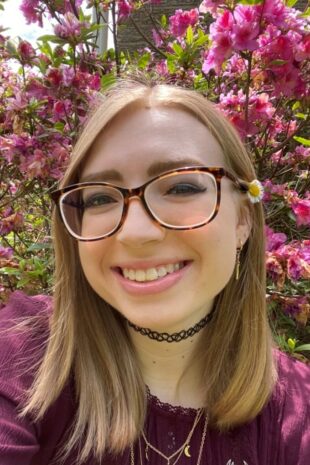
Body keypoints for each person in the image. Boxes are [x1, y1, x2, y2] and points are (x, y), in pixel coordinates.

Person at [0, 79, 309, 465]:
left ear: (243, 220)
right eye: (99, 197)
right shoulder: (23, 356)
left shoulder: (296, 415)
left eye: (181, 188)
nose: (136, 232)